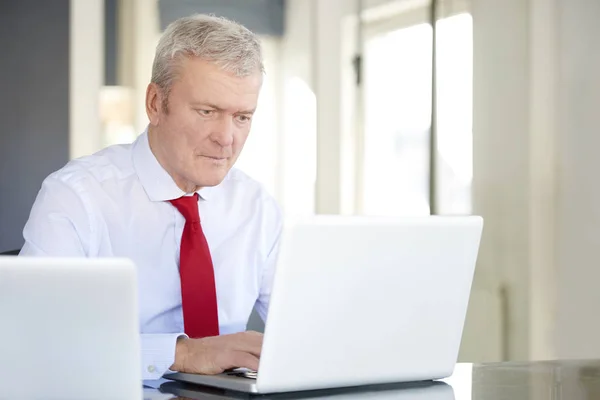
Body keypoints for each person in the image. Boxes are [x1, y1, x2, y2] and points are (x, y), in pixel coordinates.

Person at [20, 14, 281, 381]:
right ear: (156, 103)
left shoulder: (257, 207)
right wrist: (182, 354)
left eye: (242, 117)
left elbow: (304, 332)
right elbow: (32, 341)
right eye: (208, 112)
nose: (226, 138)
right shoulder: (76, 197)